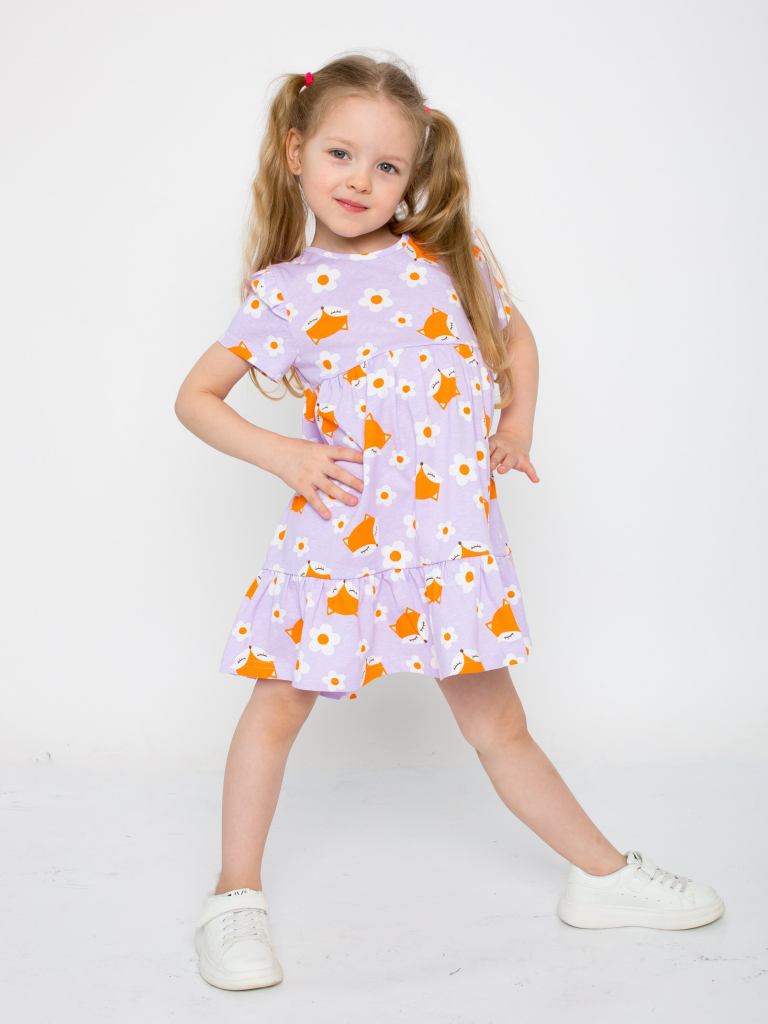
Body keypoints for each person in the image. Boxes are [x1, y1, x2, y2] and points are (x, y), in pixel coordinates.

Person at [174, 51, 724, 992]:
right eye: (341, 154)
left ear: (413, 175)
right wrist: (286, 456)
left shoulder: (448, 258)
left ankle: (603, 878)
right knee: (277, 707)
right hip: (342, 540)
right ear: (297, 151)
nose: (361, 179)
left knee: (498, 721)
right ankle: (233, 897)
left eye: (387, 165)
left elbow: (516, 338)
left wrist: (518, 422)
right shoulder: (285, 292)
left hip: (447, 545)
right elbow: (196, 399)